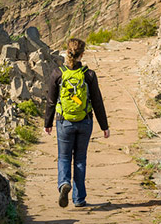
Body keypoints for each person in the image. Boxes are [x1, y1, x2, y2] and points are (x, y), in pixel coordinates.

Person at [44, 38, 110, 208]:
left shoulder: (57, 74)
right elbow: (97, 101)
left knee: (64, 157)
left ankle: (64, 183)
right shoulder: (89, 75)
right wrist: (104, 126)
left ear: (67, 52)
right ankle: (79, 199)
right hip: (85, 122)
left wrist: (48, 123)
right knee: (80, 159)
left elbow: (51, 101)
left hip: (63, 122)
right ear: (82, 54)